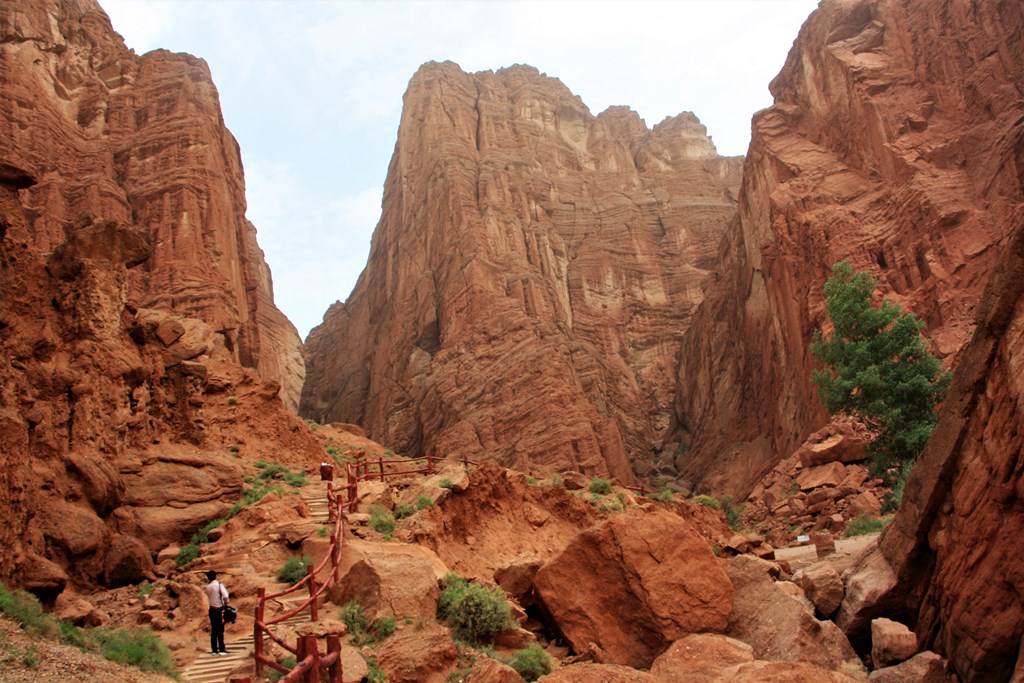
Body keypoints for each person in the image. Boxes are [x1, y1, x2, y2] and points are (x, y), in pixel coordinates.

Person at [204, 570, 229, 655]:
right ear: (215, 577)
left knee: (214, 630)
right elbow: (225, 596)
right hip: (219, 610)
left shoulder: (208, 587)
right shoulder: (219, 585)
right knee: (220, 630)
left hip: (211, 610)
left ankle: (214, 649)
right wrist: (225, 603)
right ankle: (222, 649)